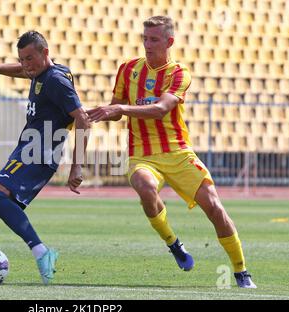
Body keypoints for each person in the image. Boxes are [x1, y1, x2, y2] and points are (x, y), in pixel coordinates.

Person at [87, 16, 256, 288]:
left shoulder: (179, 73)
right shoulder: (128, 69)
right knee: (144, 186)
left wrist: (120, 109)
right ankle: (173, 244)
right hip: (142, 154)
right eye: (145, 39)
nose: (147, 45)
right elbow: (115, 110)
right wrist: (91, 113)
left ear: (169, 42)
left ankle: (241, 271)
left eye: (154, 39)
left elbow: (161, 109)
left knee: (214, 207)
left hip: (178, 152)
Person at [0, 31, 90, 285]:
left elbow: (83, 118)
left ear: (45, 53)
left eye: (30, 58)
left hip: (40, 153)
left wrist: (77, 166)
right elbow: (22, 71)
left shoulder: (56, 81)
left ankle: (42, 252)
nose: (26, 64)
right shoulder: (41, 73)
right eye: (22, 59)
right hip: (26, 150)